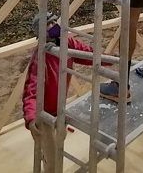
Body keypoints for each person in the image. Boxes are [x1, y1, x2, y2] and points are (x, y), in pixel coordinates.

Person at [22, 12, 95, 173]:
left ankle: (46, 155)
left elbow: (87, 54)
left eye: (55, 22)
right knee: (53, 161)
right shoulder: (40, 56)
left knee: (59, 142)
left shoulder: (66, 43)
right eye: (48, 24)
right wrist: (32, 118)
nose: (53, 26)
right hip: (43, 116)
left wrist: (109, 59)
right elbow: (30, 91)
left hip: (60, 109)